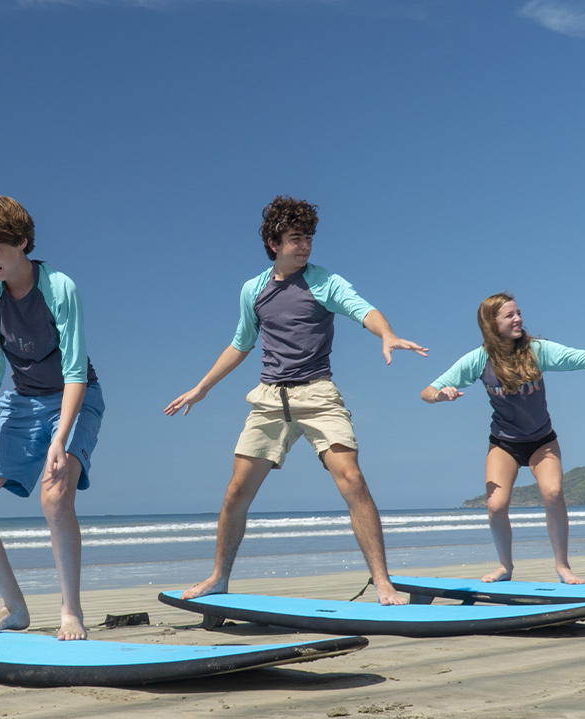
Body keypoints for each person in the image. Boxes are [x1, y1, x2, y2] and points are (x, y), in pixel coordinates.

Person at [164, 196, 426, 605]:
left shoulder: (324, 282)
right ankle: (218, 578)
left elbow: (363, 310)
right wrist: (203, 387)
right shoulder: (254, 290)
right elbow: (240, 344)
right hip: (269, 399)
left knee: (353, 480)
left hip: (318, 393)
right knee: (236, 493)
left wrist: (387, 334)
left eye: (308, 238)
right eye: (295, 238)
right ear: (274, 243)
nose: (304, 246)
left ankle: (383, 583)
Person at [0, 195, 104, 641]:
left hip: (76, 396)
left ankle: (70, 611)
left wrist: (60, 439)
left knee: (55, 497)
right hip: (23, 403)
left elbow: (75, 371)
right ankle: (14, 608)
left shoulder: (59, 288)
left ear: (21, 242)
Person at [421, 292, 585, 585]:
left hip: (541, 440)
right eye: (509, 315)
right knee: (496, 506)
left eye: (518, 313)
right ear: (491, 324)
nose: (518, 319)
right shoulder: (478, 360)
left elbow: (583, 357)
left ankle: (562, 566)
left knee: (552, 493)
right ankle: (505, 567)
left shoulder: (536, 350)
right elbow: (427, 392)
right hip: (504, 443)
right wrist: (440, 395)